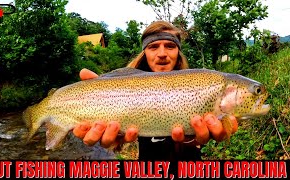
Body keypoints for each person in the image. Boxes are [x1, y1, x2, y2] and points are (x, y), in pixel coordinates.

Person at [73, 20, 238, 161]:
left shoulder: (200, 84)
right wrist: (116, 139)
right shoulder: (122, 85)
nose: (162, 53)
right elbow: (118, 143)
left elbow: (204, 135)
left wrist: (192, 139)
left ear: (178, 52)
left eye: (170, 46)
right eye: (153, 47)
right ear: (144, 53)